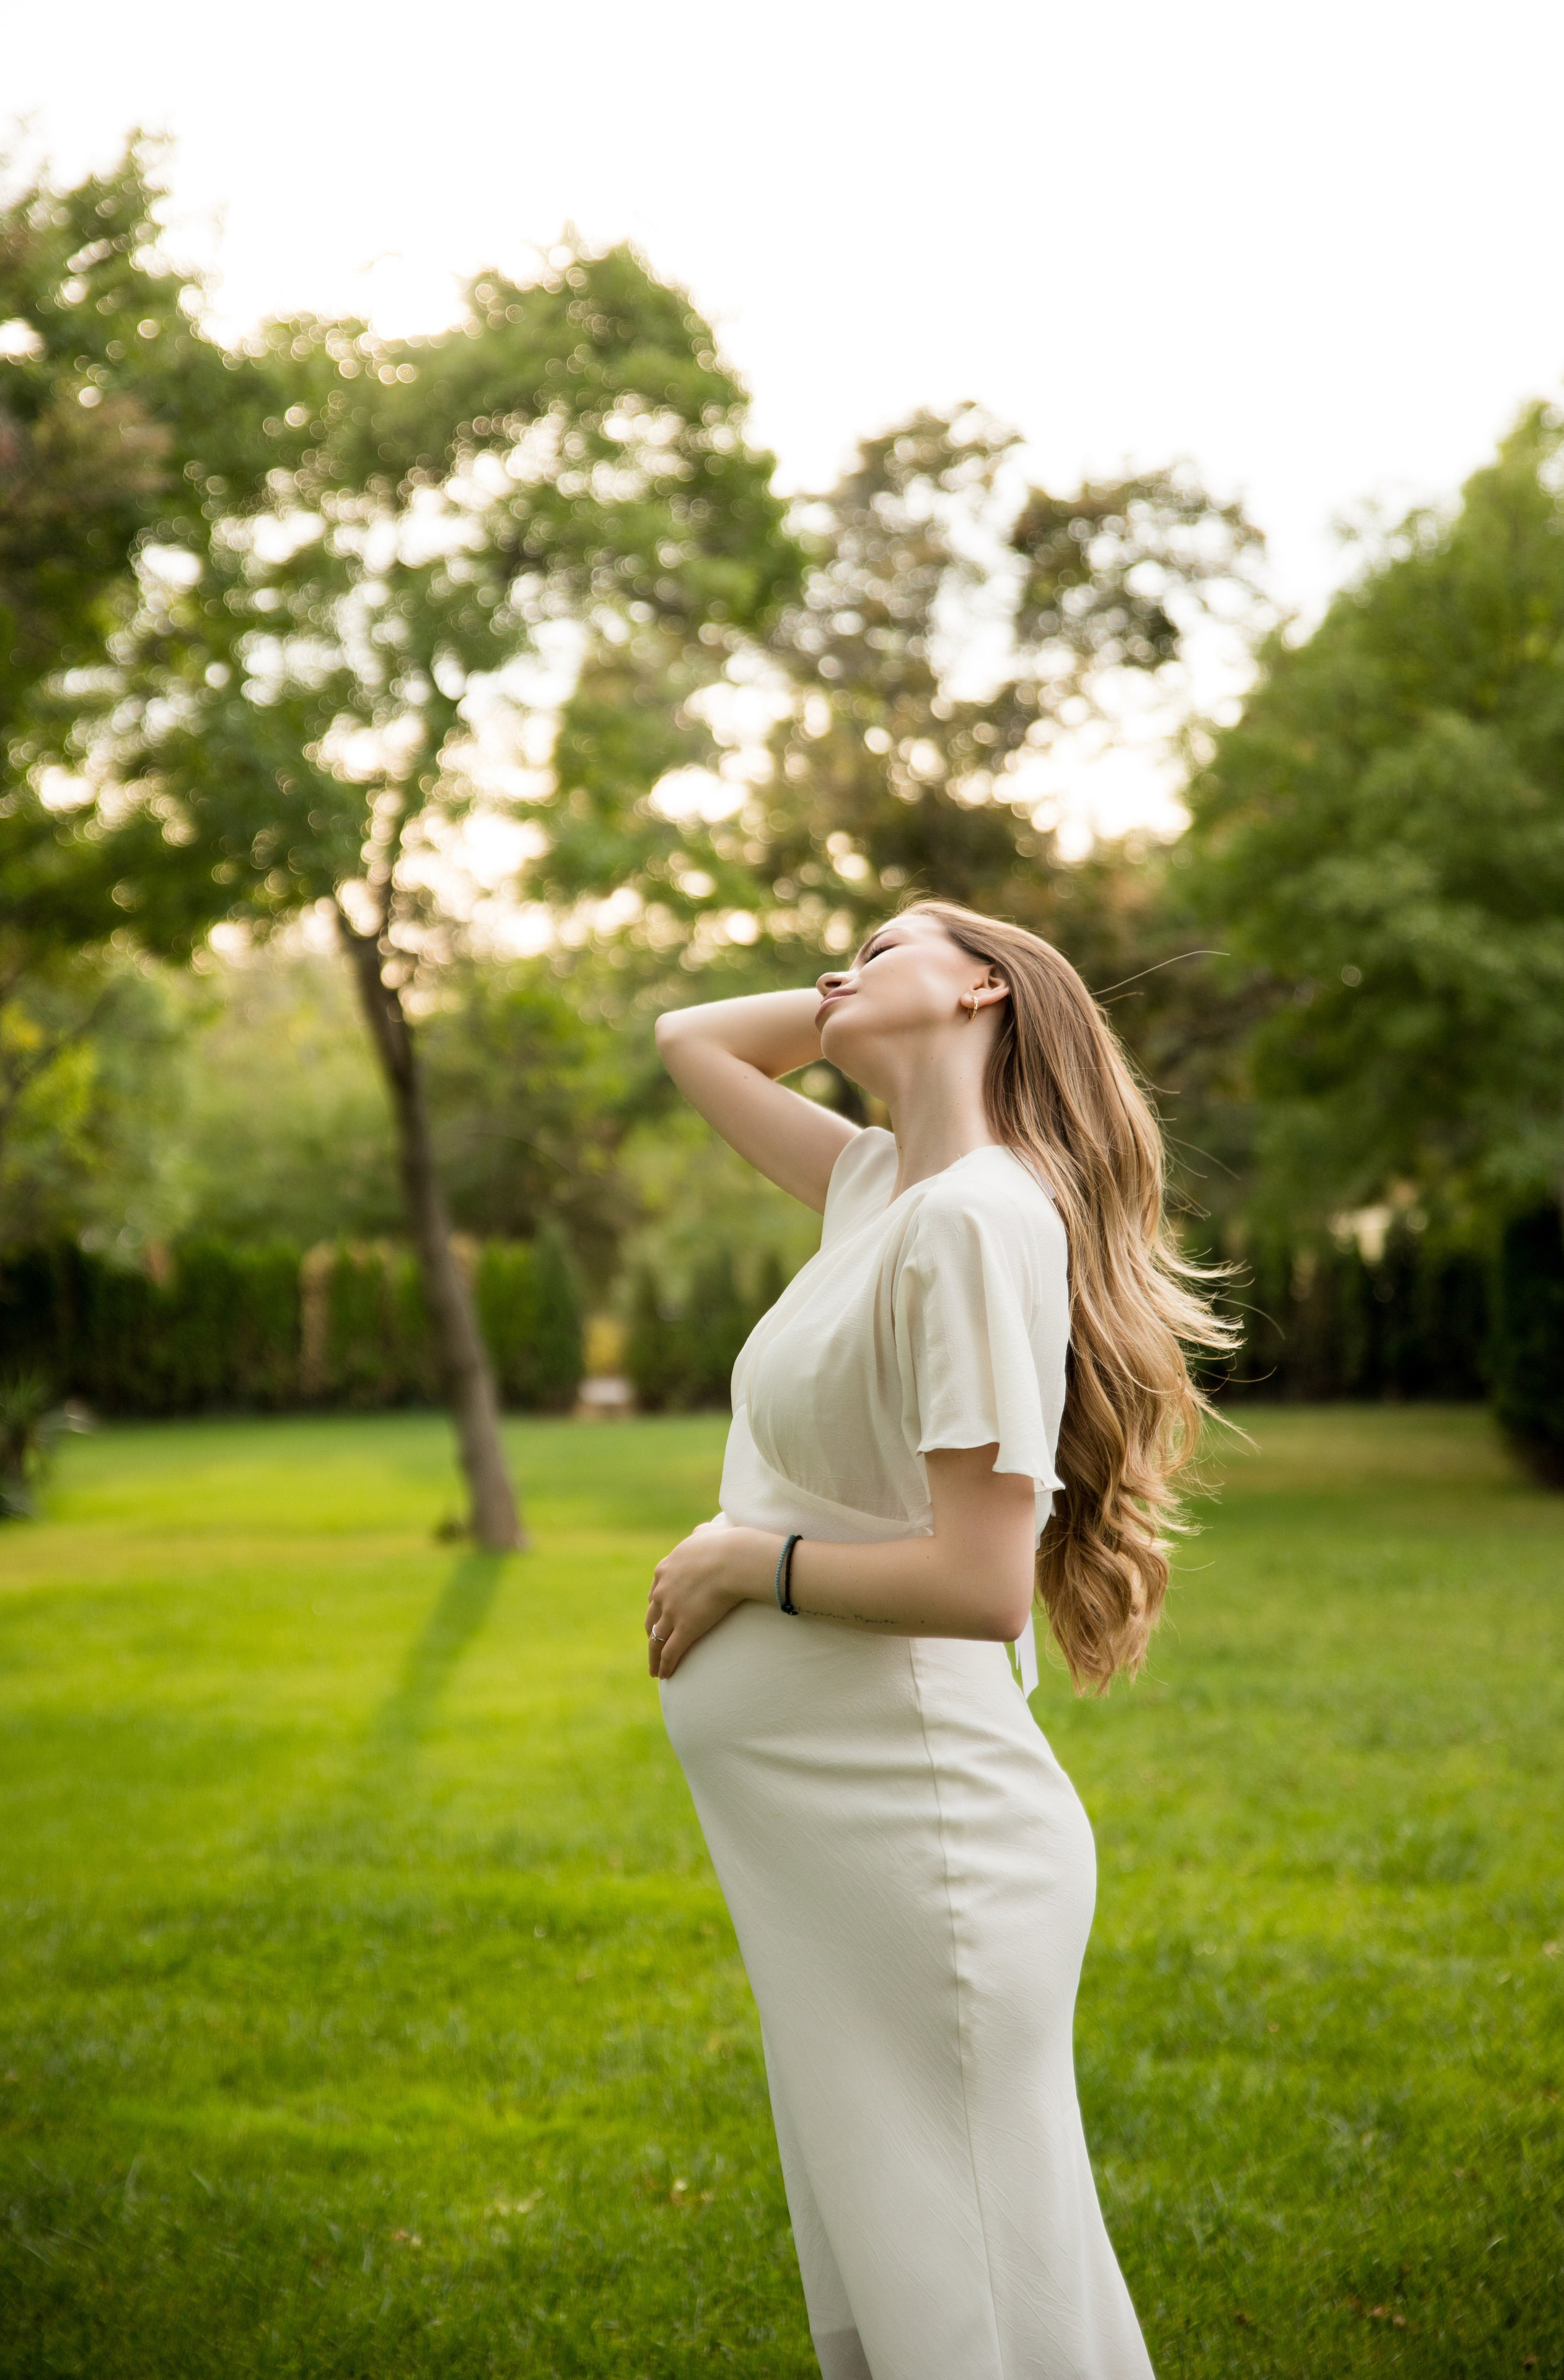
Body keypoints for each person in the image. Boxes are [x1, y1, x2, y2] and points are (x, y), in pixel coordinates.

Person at [645, 900, 1232, 2380]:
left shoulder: (978, 1215)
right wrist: (868, 999)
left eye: (879, 942)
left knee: (974, 2286)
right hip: (840, 1858)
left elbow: (980, 1582)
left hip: (922, 1841)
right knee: (917, 2277)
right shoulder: (878, 1192)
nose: (833, 970)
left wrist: (746, 1563)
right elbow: (687, 1039)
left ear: (983, 986)